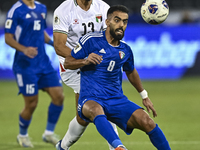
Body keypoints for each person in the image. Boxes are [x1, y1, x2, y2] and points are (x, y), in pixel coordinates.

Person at [61, 5, 171, 150]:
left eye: (125, 22)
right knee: (95, 110)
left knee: (147, 121)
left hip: (116, 99)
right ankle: (119, 147)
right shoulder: (91, 40)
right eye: (117, 20)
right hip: (90, 98)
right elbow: (68, 62)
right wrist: (85, 60)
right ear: (107, 22)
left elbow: (131, 72)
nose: (121, 25)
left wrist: (144, 96)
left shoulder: (125, 50)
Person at [53, 0, 118, 150]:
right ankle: (116, 147)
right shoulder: (63, 10)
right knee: (103, 100)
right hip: (72, 66)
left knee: (82, 117)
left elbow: (110, 38)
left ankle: (62, 146)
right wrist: (83, 58)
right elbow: (59, 46)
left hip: (95, 64)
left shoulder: (103, 8)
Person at [4, 0, 64, 148]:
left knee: (59, 96)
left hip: (43, 63)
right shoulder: (16, 11)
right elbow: (8, 38)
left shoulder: (41, 7)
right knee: (32, 103)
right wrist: (24, 49)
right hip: (25, 65)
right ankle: (22, 135)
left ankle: (48, 133)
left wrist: (52, 44)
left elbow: (40, 31)